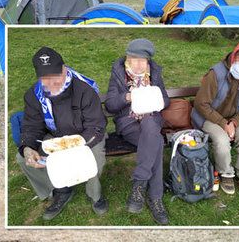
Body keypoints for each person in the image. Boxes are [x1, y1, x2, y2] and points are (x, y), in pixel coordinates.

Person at [17, 46, 107, 220]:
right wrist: (27, 147)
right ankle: (61, 190)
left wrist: (73, 146)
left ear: (64, 70)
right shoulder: (34, 95)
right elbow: (32, 126)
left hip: (86, 136)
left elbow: (96, 126)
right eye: (45, 79)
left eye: (55, 78)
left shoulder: (84, 89)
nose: (51, 85)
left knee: (95, 157)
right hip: (54, 137)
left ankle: (94, 194)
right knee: (22, 158)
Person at [104, 38, 170, 225]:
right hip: (129, 122)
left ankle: (139, 185)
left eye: (144, 61)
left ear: (148, 61)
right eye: (136, 60)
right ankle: (155, 198)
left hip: (151, 120)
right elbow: (110, 104)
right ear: (128, 58)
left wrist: (156, 98)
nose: (140, 65)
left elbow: (166, 100)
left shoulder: (154, 74)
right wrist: (127, 96)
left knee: (150, 125)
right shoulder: (118, 74)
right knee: (155, 143)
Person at [192, 38, 239, 197]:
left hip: (236, 118)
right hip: (210, 117)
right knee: (222, 141)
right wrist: (223, 123)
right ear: (233, 56)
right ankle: (225, 174)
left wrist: (235, 121)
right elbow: (201, 103)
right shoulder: (216, 73)